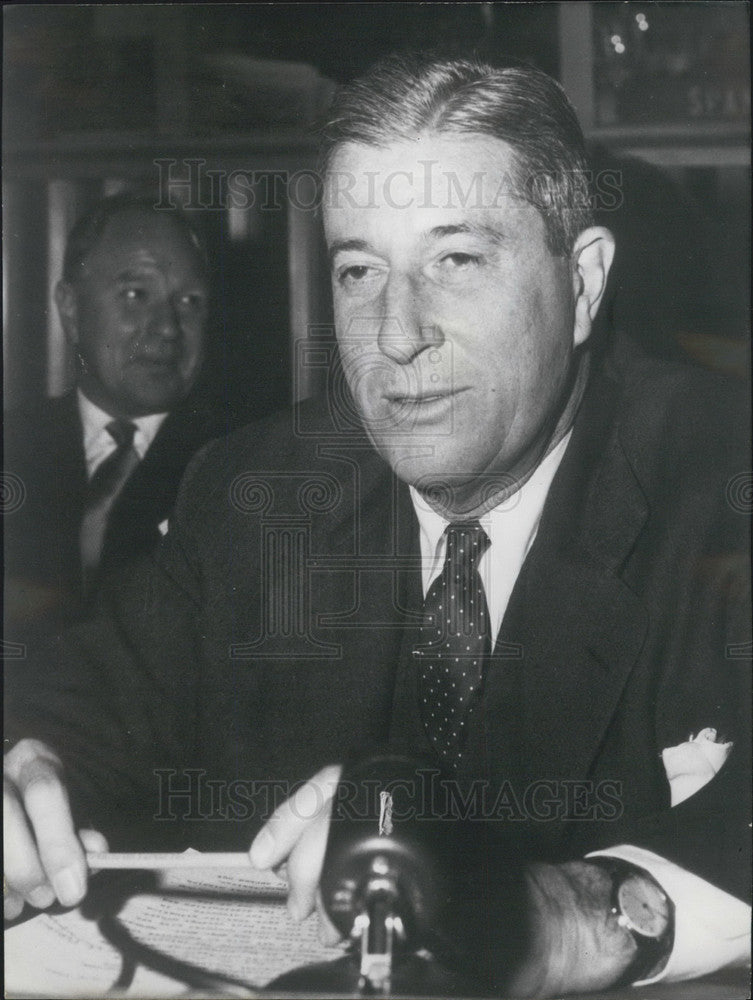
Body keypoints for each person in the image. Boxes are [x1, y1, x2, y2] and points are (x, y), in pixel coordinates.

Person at [5, 57, 750, 996]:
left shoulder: (719, 475)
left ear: (584, 282)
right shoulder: (257, 490)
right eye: (359, 271)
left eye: (456, 261)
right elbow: (79, 705)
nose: (396, 334)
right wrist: (22, 765)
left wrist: (565, 914)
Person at [4, 195, 221, 646]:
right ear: (70, 308)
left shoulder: (241, 464)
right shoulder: (13, 445)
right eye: (136, 295)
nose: (168, 327)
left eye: (189, 301)